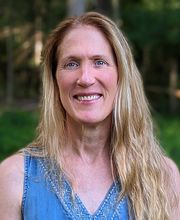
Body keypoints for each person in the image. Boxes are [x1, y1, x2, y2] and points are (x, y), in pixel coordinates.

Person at [0, 11, 179, 220]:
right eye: (71, 64)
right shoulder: (15, 178)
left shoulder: (162, 177)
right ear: (54, 79)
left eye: (99, 62)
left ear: (121, 75)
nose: (85, 78)